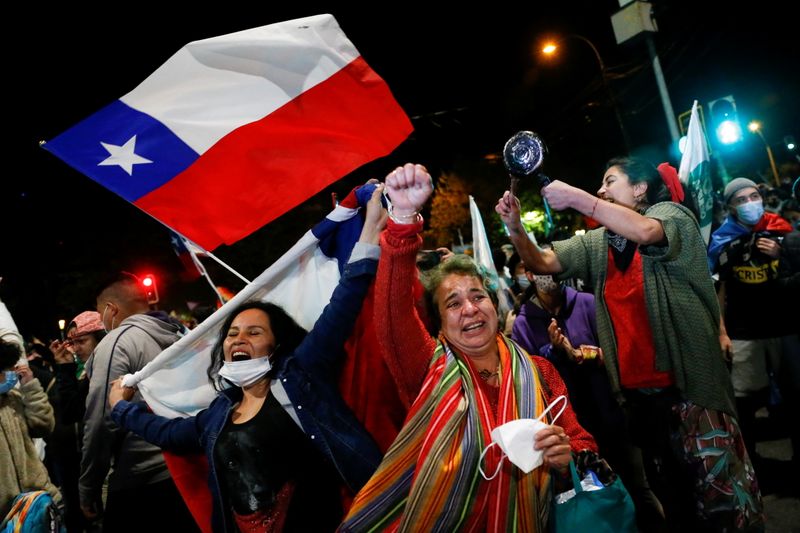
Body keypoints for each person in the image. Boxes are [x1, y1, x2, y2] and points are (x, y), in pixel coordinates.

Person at [496, 157, 763, 531]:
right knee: (675, 501)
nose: (601, 190)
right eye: (599, 185)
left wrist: (578, 198)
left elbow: (647, 233)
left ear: (640, 188)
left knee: (723, 500)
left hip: (691, 391)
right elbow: (542, 262)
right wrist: (514, 227)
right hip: (640, 399)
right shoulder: (599, 243)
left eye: (610, 181)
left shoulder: (671, 216)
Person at [108, 185, 387, 533]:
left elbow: (342, 306)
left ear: (277, 344)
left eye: (254, 332)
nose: (239, 339)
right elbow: (168, 432)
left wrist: (371, 231)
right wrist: (121, 408)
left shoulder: (302, 377)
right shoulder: (216, 417)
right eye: (233, 333)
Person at [342, 164, 606, 532]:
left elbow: (581, 444)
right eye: (453, 303)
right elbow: (392, 313)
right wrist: (402, 219)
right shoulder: (427, 369)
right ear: (440, 322)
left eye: (477, 296)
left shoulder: (539, 372)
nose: (469, 309)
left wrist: (567, 458)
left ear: (494, 306)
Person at [80, 273, 198, 532]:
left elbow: (101, 420)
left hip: (142, 477)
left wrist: (88, 486)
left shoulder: (116, 342)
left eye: (100, 315)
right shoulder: (181, 333)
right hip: (190, 468)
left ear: (111, 309)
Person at [708, 177, 794, 461]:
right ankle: (753, 464)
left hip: (785, 327)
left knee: (794, 394)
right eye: (741, 200)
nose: (750, 204)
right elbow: (717, 289)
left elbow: (795, 272)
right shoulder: (722, 240)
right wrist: (722, 333)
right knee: (745, 401)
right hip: (745, 331)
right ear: (730, 206)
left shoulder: (780, 229)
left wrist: (781, 253)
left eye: (753, 196)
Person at [48, 311, 105, 533]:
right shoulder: (89, 371)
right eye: (72, 342)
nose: (76, 348)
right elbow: (72, 412)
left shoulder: (107, 368)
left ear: (100, 338)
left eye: (82, 341)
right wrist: (65, 366)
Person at [0, 338, 62, 517]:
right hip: (7, 516)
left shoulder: (12, 397)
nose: (13, 373)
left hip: (37, 503)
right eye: (6, 369)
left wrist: (31, 387)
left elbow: (43, 426)